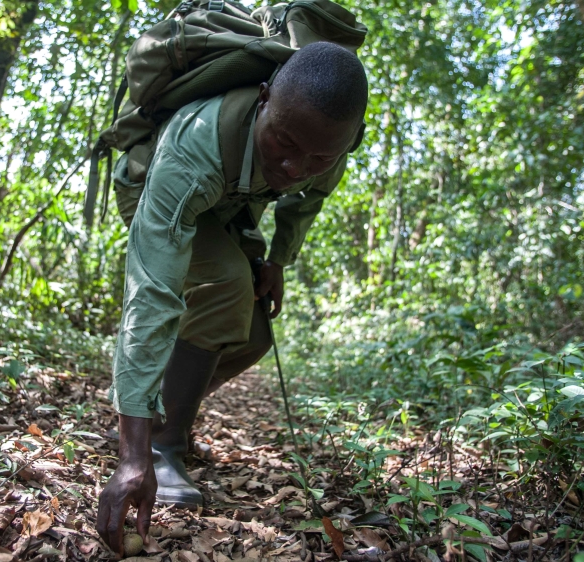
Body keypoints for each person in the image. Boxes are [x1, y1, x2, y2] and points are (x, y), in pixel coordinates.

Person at [95, 41, 369, 556]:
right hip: (156, 185)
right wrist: (130, 456)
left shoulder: (325, 149)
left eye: (319, 156)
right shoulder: (192, 146)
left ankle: (162, 418)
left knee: (254, 328)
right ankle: (156, 443)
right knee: (224, 284)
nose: (295, 166)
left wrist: (278, 261)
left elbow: (308, 201)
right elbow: (150, 294)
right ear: (264, 99)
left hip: (226, 207)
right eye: (284, 142)